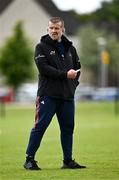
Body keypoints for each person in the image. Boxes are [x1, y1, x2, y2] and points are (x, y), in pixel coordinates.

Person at [24, 17, 86, 170]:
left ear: (62, 29)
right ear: (47, 29)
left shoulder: (70, 49)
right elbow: (44, 69)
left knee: (68, 128)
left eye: (57, 28)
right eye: (51, 28)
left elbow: (78, 68)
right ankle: (29, 160)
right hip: (48, 95)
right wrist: (66, 75)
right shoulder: (41, 47)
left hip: (67, 96)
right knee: (40, 126)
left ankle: (67, 161)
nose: (54, 31)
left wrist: (73, 85)